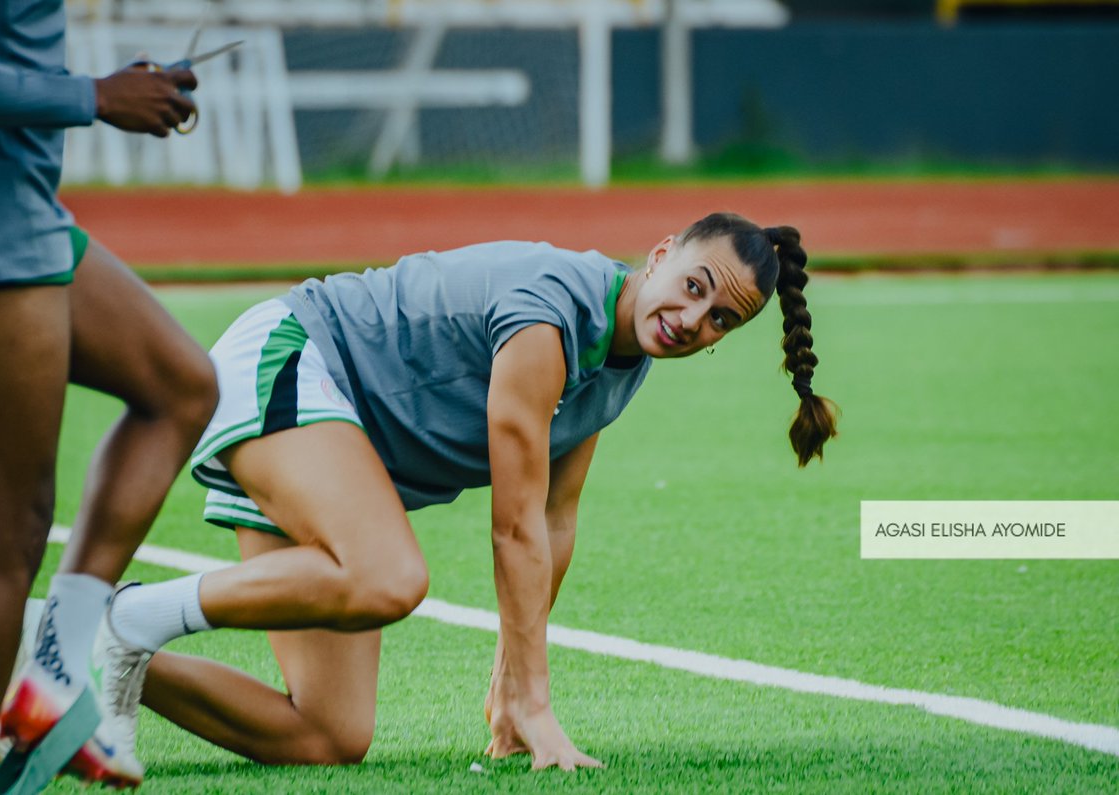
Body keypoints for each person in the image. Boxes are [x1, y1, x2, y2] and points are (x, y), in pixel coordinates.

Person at [82, 212, 838, 777]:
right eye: (694, 288)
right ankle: (123, 614)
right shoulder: (552, 311)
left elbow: (555, 518)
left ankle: (82, 646)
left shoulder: (623, 364)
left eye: (719, 321)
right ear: (663, 252)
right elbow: (513, 526)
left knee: (326, 736)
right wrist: (538, 704)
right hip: (292, 360)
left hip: (340, 442)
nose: (691, 320)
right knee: (390, 577)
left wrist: (514, 681)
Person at [0, 1, 218, 792]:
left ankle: (52, 676)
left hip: (23, 210)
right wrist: (94, 96)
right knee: (3, 531)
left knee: (181, 386)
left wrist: (122, 88)